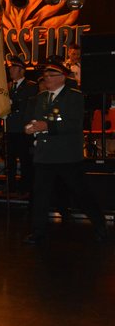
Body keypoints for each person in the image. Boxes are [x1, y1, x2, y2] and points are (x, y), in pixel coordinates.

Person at [23, 58, 108, 244]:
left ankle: (100, 225)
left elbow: (73, 124)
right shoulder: (40, 98)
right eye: (45, 75)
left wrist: (47, 126)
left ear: (62, 77)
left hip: (66, 155)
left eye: (51, 75)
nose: (47, 78)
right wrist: (30, 127)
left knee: (81, 192)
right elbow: (33, 119)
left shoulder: (74, 97)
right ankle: (38, 232)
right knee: (40, 195)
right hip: (44, 155)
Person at [5, 56, 38, 194]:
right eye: (10, 68)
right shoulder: (8, 86)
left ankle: (26, 187)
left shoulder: (30, 86)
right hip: (10, 128)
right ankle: (10, 186)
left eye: (14, 68)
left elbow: (29, 107)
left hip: (23, 129)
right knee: (10, 160)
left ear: (22, 70)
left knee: (25, 160)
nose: (10, 70)